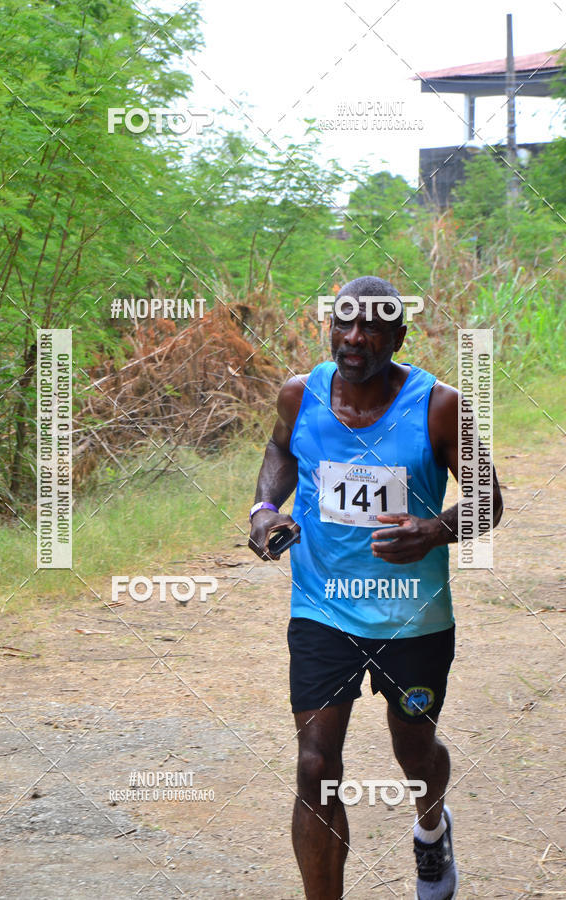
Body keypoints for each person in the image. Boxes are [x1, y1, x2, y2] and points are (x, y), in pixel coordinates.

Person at [248, 276, 503, 900]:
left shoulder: (439, 406)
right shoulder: (299, 394)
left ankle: (431, 827)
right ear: (331, 328)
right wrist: (264, 511)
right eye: (344, 322)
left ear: (398, 337)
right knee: (315, 764)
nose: (355, 337)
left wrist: (433, 531)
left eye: (371, 326)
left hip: (411, 618)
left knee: (415, 752)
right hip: (322, 608)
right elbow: (280, 451)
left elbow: (488, 501)